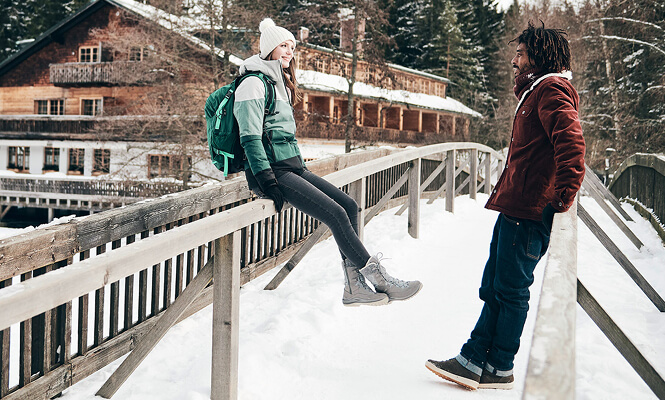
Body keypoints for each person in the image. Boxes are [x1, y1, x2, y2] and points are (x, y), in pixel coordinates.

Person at [425, 21, 586, 390]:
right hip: (515, 209)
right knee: (496, 285)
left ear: (538, 57)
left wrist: (561, 197)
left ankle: (498, 366)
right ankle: (475, 359)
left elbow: (572, 145)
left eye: (521, 53)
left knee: (511, 290)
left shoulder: (551, 91)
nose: (514, 59)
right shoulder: (536, 91)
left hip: (529, 212)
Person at [233, 18, 422, 307]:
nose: (289, 51)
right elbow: (250, 138)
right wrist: (267, 180)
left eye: (292, 46)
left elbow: (281, 134)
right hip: (273, 173)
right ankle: (380, 278)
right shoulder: (252, 84)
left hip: (292, 166)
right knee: (334, 214)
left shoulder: (279, 82)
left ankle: (353, 286)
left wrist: (298, 167)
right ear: (270, 47)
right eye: (284, 45)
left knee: (349, 206)